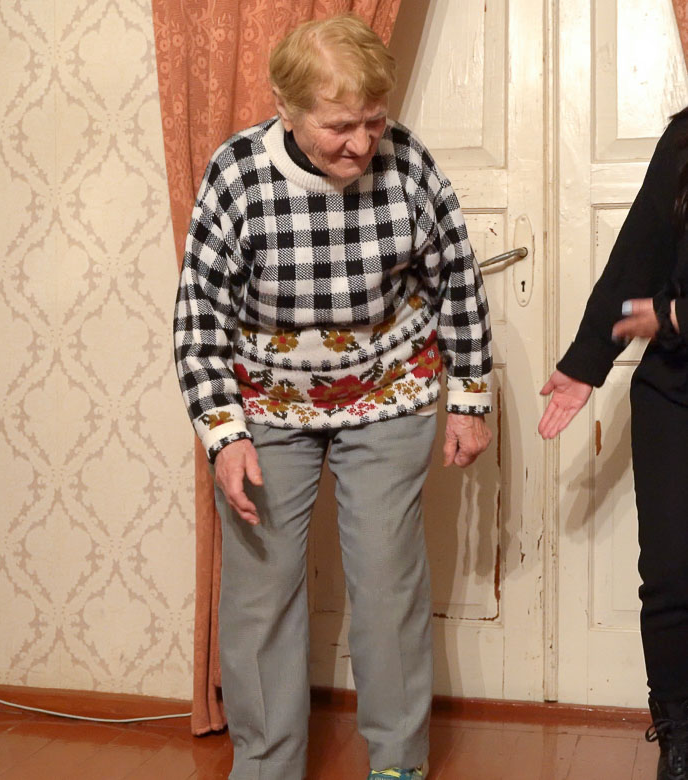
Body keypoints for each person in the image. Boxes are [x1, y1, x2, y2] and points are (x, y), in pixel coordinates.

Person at [173, 15, 494, 780]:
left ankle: (396, 766)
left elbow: (457, 281)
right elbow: (198, 319)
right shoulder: (236, 175)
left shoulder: (408, 164)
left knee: (387, 584)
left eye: (373, 123)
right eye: (339, 126)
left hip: (389, 394)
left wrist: (471, 400)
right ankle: (266, 764)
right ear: (286, 109)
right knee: (260, 595)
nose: (361, 143)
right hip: (266, 408)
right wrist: (225, 436)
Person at [539, 107, 688, 780]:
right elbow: (639, 252)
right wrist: (585, 361)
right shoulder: (687, 136)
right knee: (670, 574)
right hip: (674, 389)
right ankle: (680, 741)